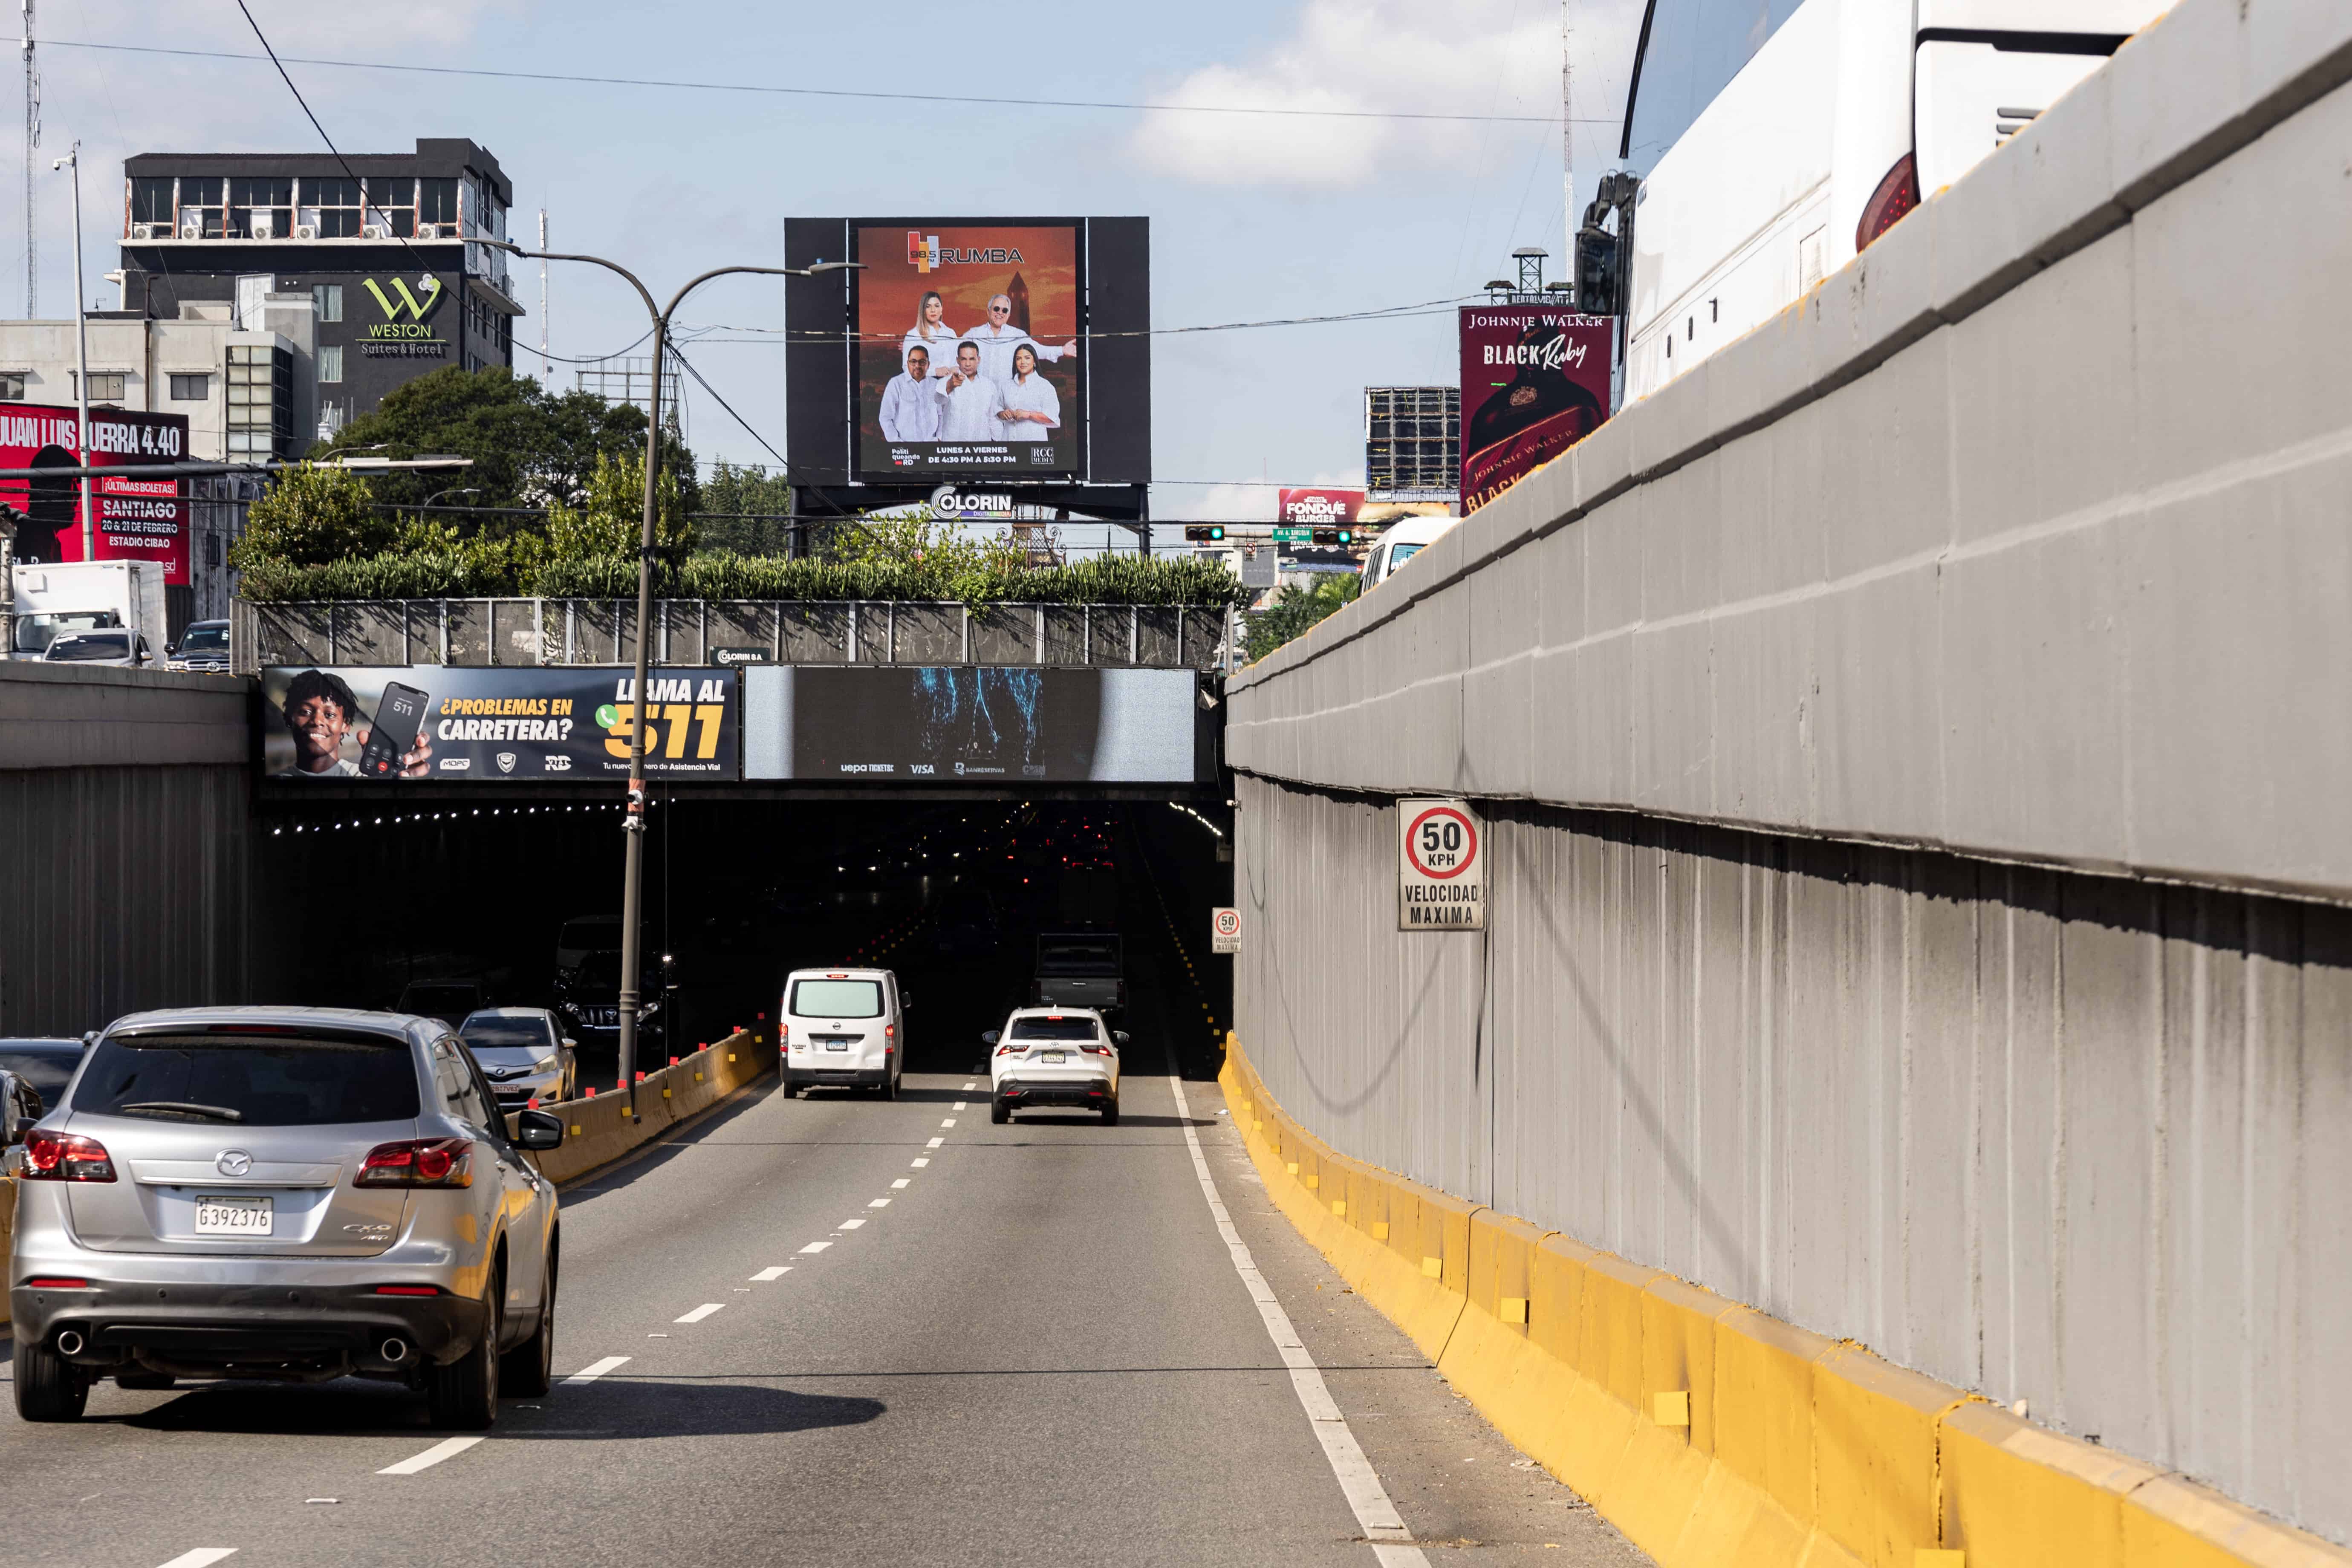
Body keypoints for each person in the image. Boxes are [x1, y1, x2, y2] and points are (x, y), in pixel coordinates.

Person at [275, 668, 431, 778]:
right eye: (305, 712)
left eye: (329, 715)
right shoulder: (277, 782)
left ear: (346, 725)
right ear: (290, 718)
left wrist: (404, 784)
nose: (317, 721)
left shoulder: (364, 777)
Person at [961, 294, 1078, 385]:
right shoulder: (974, 334)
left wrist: (1062, 350)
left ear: (1009, 314)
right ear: (988, 311)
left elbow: (1036, 350)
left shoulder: (1017, 334)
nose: (1000, 313)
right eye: (996, 309)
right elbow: (952, 349)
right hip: (981, 394)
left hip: (1007, 396)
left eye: (1005, 310)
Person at [935, 340, 1006, 443]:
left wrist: (999, 442)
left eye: (972, 359)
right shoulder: (946, 381)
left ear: (979, 360)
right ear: (958, 360)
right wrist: (950, 386)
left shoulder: (989, 385)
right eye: (964, 359)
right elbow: (938, 399)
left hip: (981, 446)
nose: (968, 364)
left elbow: (993, 418)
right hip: (952, 446)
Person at [879, 344, 945, 441]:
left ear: (928, 364)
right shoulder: (896, 384)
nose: (917, 366)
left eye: (922, 362)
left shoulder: (936, 385)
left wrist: (939, 438)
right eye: (913, 362)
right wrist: (897, 443)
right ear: (908, 363)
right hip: (905, 448)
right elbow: (885, 418)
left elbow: (942, 415)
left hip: (932, 446)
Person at [994, 343, 1060, 442]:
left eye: (1027, 358)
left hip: (1033, 443)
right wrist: (1002, 414)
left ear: (1035, 362)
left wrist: (1028, 415)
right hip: (1007, 440)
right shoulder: (1007, 385)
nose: (1023, 362)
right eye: (1018, 359)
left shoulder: (1045, 386)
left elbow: (1052, 417)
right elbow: (997, 407)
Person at [899, 291, 962, 378]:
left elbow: (957, 361)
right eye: (928, 307)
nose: (933, 310)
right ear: (923, 310)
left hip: (950, 384)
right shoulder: (914, 334)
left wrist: (956, 368)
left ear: (941, 309)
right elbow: (907, 369)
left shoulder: (950, 333)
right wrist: (935, 372)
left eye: (937, 306)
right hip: (925, 384)